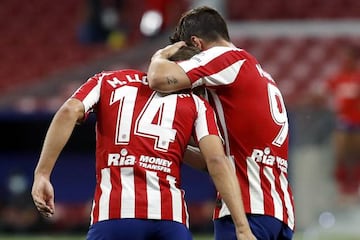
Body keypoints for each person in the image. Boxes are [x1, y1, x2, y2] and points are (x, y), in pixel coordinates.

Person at [31, 47, 255, 240]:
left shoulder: (108, 81)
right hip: (170, 219)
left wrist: (43, 174)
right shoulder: (197, 104)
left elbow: (70, 110)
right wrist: (242, 227)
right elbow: (214, 160)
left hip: (114, 214)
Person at [147, 6, 295, 240]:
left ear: (196, 43)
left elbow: (158, 79)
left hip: (248, 209)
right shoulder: (260, 74)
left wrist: (160, 56)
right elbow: (215, 161)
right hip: (278, 212)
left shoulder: (225, 58)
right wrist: (174, 145)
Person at [322, 44, 360, 202]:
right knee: (341, 154)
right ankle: (341, 188)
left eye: (349, 57)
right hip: (343, 122)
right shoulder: (337, 78)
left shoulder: (357, 77)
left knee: (356, 154)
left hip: (357, 121)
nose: (346, 60)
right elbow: (324, 94)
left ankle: (355, 187)